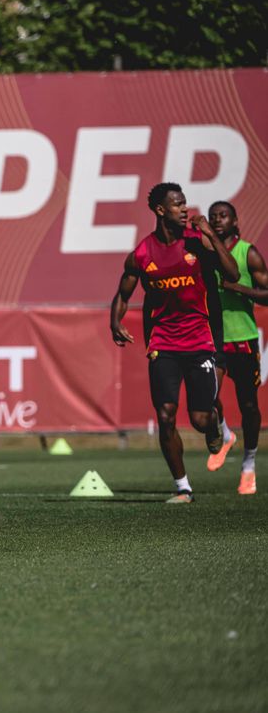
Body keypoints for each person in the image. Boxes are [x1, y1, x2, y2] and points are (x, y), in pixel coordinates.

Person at [110, 183, 239, 503]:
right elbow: (123, 294)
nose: (185, 209)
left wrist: (209, 232)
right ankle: (183, 487)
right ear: (160, 210)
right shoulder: (141, 253)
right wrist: (115, 321)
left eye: (184, 204)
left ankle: (215, 423)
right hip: (163, 343)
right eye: (177, 204)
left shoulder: (197, 242)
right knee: (166, 416)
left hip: (200, 341)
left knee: (199, 420)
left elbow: (232, 274)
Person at [208, 200, 266, 494]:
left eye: (223, 216)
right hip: (213, 339)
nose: (218, 220)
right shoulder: (207, 254)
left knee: (248, 404)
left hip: (243, 339)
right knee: (206, 397)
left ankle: (249, 465)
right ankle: (225, 434)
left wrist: (240, 289)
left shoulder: (247, 253)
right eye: (213, 217)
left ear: (234, 220)